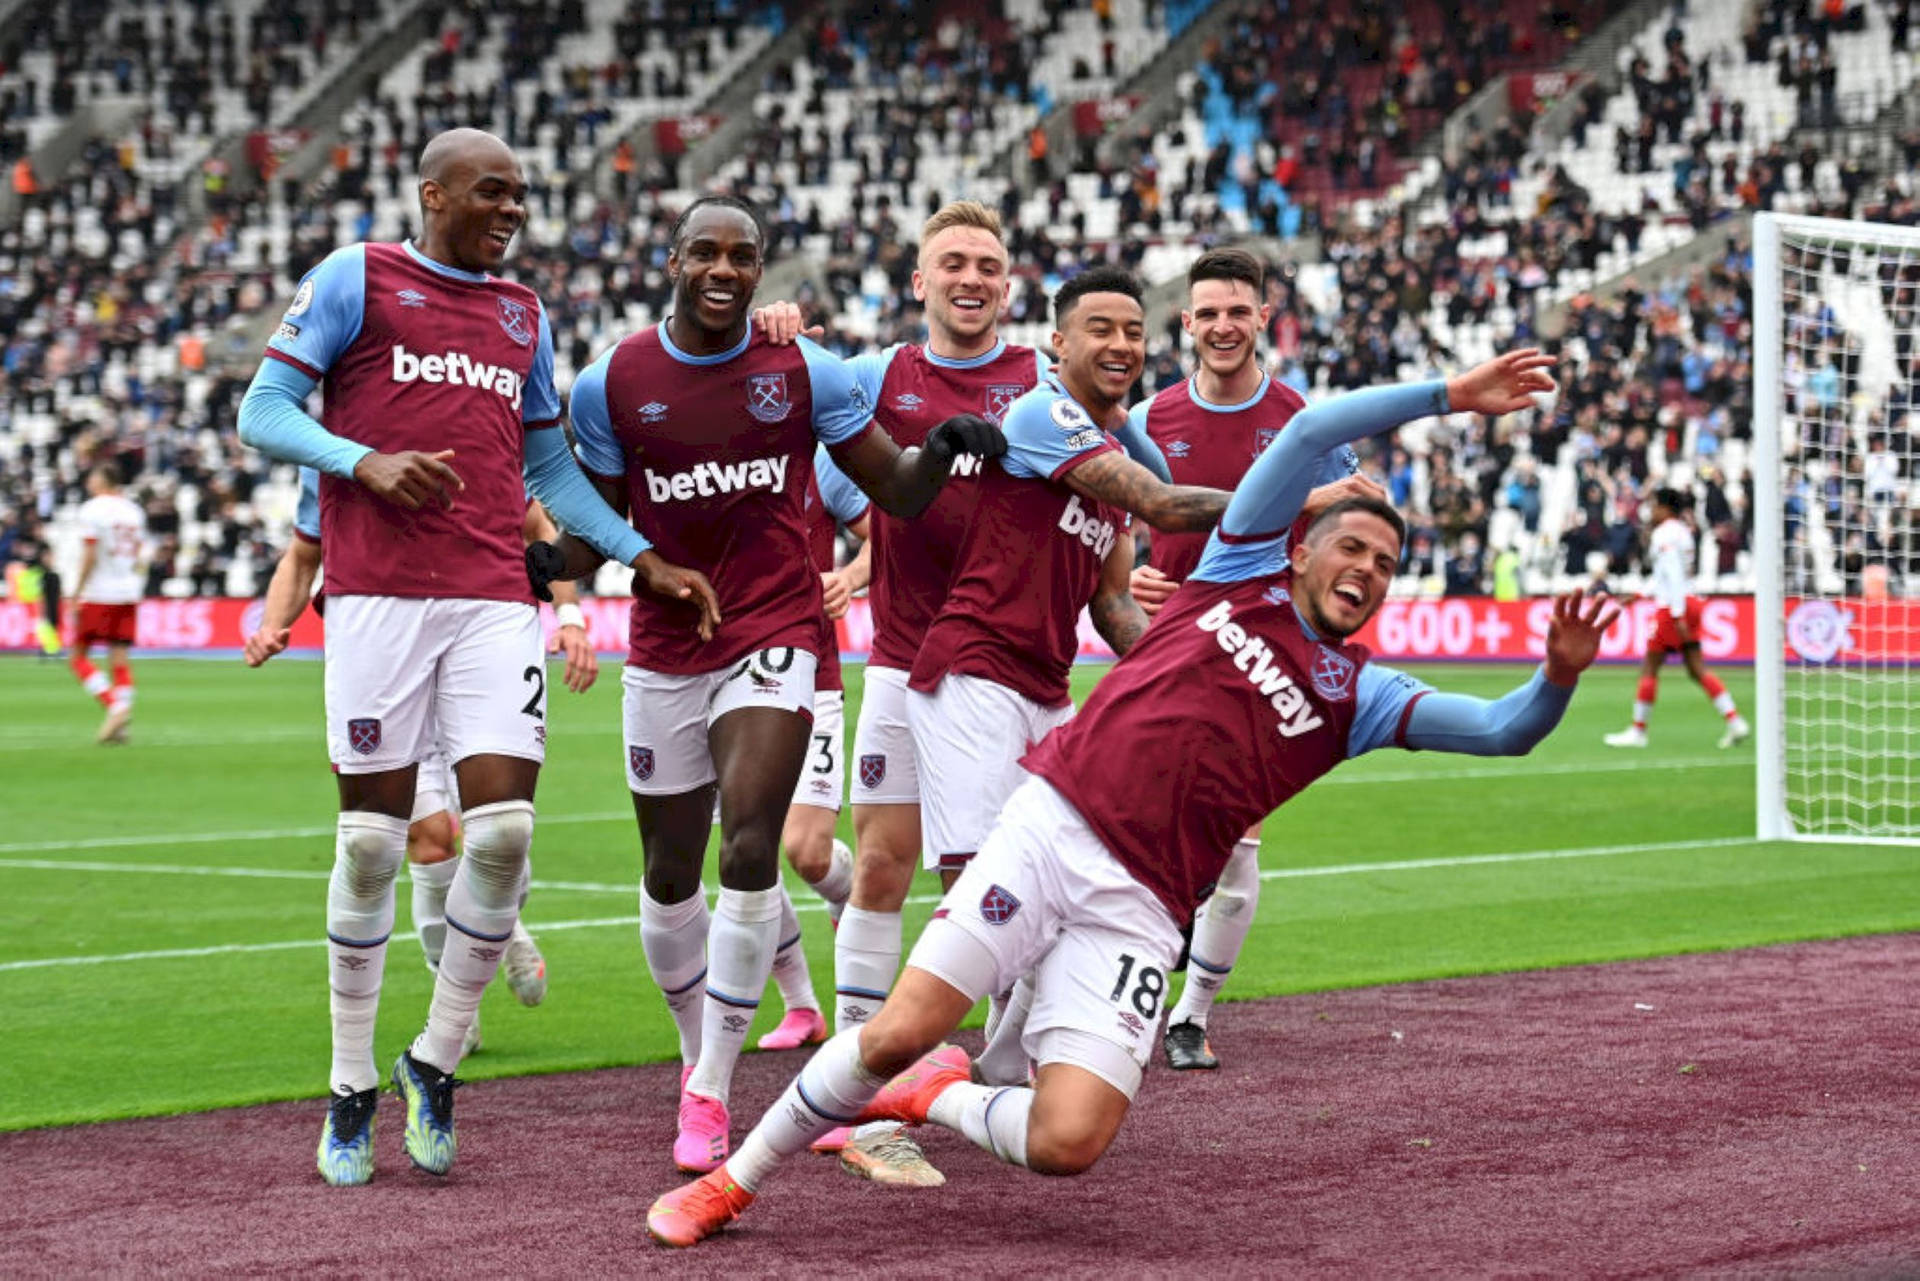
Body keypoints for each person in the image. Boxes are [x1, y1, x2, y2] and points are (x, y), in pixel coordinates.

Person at [645, 351, 1622, 1249]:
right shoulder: (1239, 569)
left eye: (1384, 563)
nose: (1364, 569)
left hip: (1148, 909)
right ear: (1300, 549)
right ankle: (732, 1181)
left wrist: (1563, 677)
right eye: (1349, 547)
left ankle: (938, 1094)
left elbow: (1505, 731)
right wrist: (1450, 396)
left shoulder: (1364, 695)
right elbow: (1314, 432)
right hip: (1052, 828)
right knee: (899, 1026)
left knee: (1069, 1141)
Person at [528, 193, 1007, 1179]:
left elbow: (900, 489)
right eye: (703, 251)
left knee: (751, 846)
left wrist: (951, 447)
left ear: (760, 269)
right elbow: (605, 519)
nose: (721, 269)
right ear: (672, 259)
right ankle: (691, 1052)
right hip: (666, 641)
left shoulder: (806, 370)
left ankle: (710, 1086)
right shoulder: (611, 382)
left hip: (777, 629)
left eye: (740, 256)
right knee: (668, 875)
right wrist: (547, 563)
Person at [236, 127, 663, 1188]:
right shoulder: (357, 277)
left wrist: (640, 556)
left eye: (521, 193)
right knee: (376, 846)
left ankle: (434, 1058)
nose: (511, 209)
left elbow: (552, 469)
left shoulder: (524, 315)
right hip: (377, 599)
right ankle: (347, 1084)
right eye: (492, 192)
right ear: (434, 193)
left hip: (488, 602)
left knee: (507, 830)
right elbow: (262, 411)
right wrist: (363, 460)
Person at [824, 200, 1054, 1185]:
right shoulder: (881, 378)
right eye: (952, 262)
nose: (971, 278)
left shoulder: (1045, 383)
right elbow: (839, 490)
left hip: (1005, 673)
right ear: (919, 280)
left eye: (988, 265)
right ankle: (854, 1095)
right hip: (896, 659)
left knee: (1004, 883)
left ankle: (1001, 1062)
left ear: (1008, 285)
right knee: (881, 868)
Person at [244, 470, 595, 1044]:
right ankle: (453, 1006)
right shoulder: (335, 461)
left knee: (503, 841)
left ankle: (504, 933)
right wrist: (271, 627)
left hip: (477, 667)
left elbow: (537, 526)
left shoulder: (465, 443)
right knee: (428, 836)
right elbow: (303, 553)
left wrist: (572, 618)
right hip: (390, 676)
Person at [1126, 247, 1359, 1073]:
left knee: (1237, 840)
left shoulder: (1302, 423)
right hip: (1163, 651)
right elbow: (1113, 521)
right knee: (1142, 828)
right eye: (1208, 313)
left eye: (1239, 311)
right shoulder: (1149, 418)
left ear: (1266, 317)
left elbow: (1350, 527)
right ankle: (1141, 979)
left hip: (1258, 651)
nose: (1224, 326)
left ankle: (1189, 1013)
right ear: (1186, 323)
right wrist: (1128, 573)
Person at [756, 444, 871, 1054]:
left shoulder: (820, 460)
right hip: (717, 675)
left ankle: (856, 903)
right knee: (747, 854)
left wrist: (848, 577)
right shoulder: (696, 445)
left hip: (811, 670)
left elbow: (887, 536)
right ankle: (801, 1006)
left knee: (805, 849)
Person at [1604, 486, 1750, 749]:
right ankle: (1735, 721)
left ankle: (1638, 731)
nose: (1651, 511)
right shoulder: (1684, 532)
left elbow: (1670, 573)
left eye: (1654, 505)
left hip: (1674, 606)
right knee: (1697, 670)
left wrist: (1677, 612)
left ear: (1665, 508)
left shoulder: (1663, 533)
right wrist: (1639, 593)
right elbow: (1668, 574)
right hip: (1690, 600)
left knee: (1650, 667)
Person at [68, 464, 148, 744]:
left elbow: (89, 554)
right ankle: (122, 726)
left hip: (100, 592)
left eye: (91, 475)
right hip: (128, 591)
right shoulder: (134, 512)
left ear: (103, 479)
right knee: (119, 658)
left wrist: (76, 592)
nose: (88, 480)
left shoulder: (92, 510)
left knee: (78, 656)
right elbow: (138, 554)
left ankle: (115, 707)